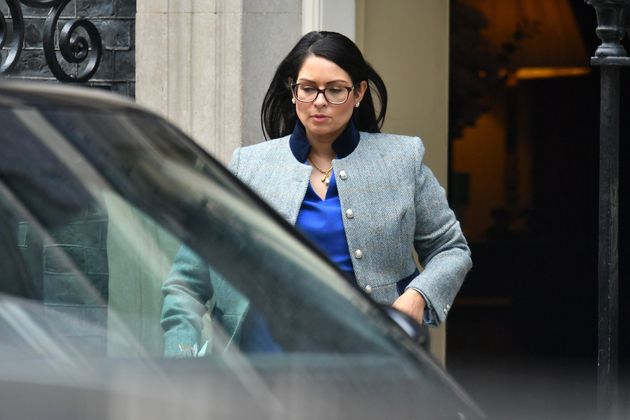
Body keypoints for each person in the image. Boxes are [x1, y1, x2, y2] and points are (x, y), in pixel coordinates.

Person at [161, 31, 470, 355]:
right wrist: (181, 355)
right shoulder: (249, 166)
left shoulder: (401, 161)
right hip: (262, 370)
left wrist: (417, 295)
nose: (319, 101)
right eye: (308, 89)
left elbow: (450, 249)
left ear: (359, 92)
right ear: (293, 92)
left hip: (374, 365)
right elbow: (187, 279)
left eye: (335, 90)